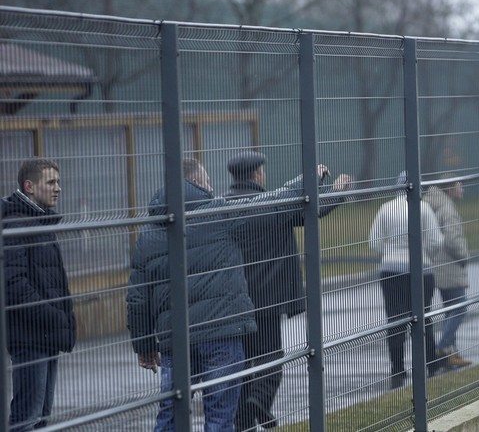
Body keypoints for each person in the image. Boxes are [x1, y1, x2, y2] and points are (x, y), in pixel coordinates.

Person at [126, 158, 311, 431]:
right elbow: (274, 204)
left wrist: (143, 345)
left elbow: (137, 296)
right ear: (196, 182)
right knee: (220, 413)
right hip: (221, 331)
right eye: (208, 181)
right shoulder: (219, 214)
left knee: (171, 410)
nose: (212, 188)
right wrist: (305, 180)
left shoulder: (149, 232)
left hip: (174, 339)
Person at [223, 151, 350, 430]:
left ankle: (244, 422)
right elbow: (311, 210)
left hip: (237, 298)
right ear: (257, 174)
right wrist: (337, 192)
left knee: (246, 362)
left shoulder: (225, 207)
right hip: (270, 297)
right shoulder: (272, 205)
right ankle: (260, 398)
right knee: (271, 358)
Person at [2, 158, 76, 431]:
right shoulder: (18, 226)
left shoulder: (40, 222)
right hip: (31, 333)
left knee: (41, 417)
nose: (58, 188)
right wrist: (53, 315)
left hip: (45, 331)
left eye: (58, 182)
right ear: (29, 186)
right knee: (26, 418)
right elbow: (13, 285)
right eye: (51, 182)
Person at [369, 172, 444, 389]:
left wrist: (390, 252)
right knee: (422, 316)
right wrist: (422, 253)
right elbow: (436, 240)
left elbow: (374, 241)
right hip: (420, 269)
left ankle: (397, 369)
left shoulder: (386, 208)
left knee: (395, 319)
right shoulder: (423, 208)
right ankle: (429, 364)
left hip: (391, 269)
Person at [422, 176, 472, 369]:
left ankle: (453, 352)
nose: (462, 190)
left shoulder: (429, 205)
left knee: (449, 309)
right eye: (460, 186)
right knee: (459, 307)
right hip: (450, 264)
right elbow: (453, 238)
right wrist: (464, 255)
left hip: (434, 262)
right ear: (450, 188)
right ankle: (443, 348)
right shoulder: (447, 208)